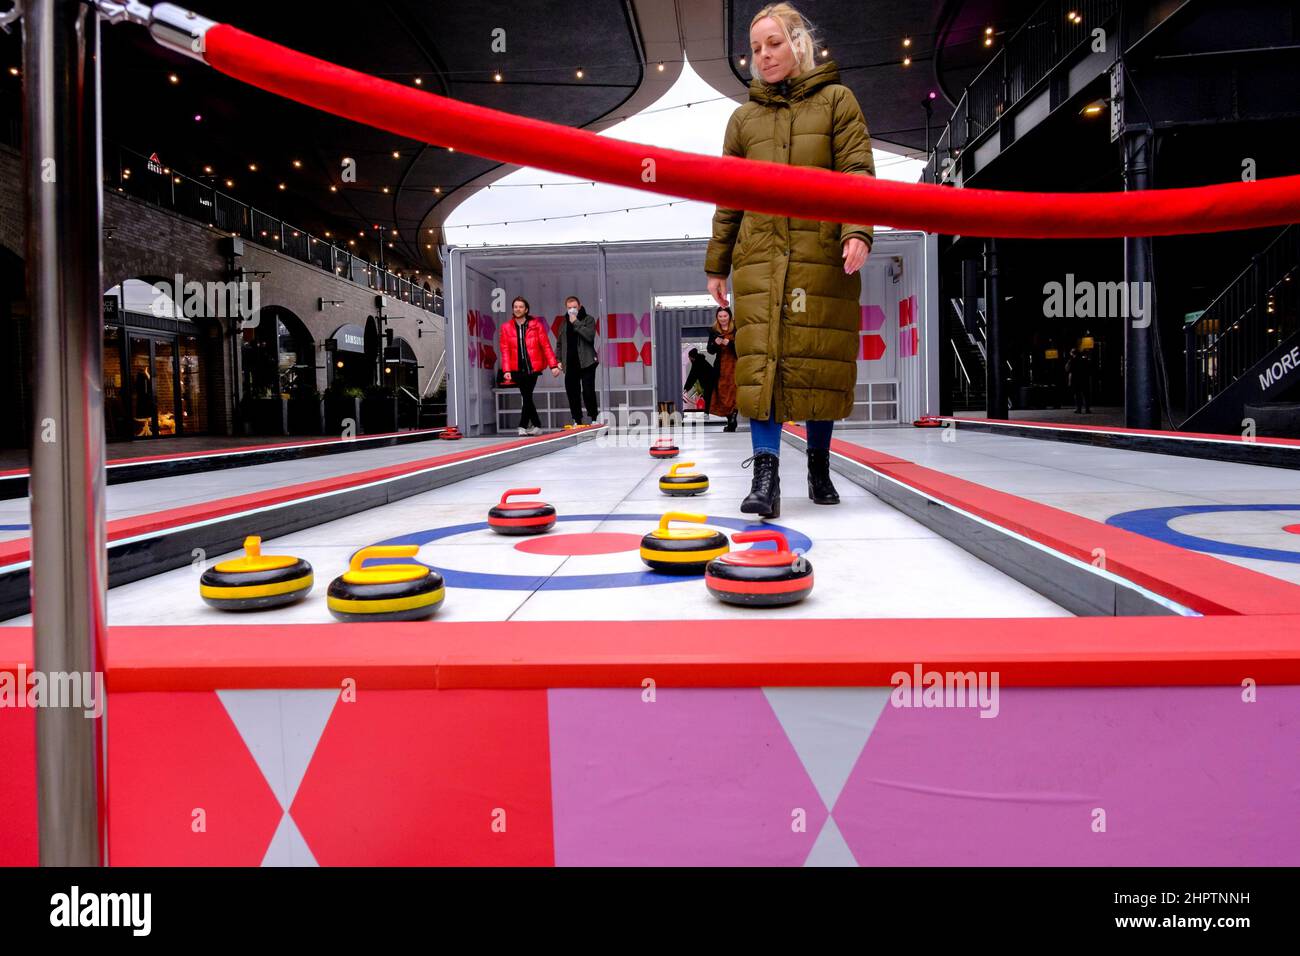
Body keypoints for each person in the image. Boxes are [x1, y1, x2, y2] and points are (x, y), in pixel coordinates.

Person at [705, 2, 874, 517]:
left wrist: (858, 232)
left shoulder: (838, 101)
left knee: (816, 361)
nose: (764, 55)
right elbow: (727, 196)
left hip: (818, 255)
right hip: (758, 259)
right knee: (759, 367)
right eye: (756, 48)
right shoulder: (743, 120)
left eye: (773, 43)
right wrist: (717, 263)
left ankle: (819, 466)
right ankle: (765, 475)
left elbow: (857, 172)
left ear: (798, 42)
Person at [498, 296, 560, 435]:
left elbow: (546, 346)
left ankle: (522, 426)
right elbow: (505, 350)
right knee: (527, 396)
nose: (518, 309)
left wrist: (553, 365)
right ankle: (537, 425)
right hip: (516, 368)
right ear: (513, 309)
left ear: (526, 309)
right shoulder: (506, 327)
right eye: (515, 307)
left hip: (533, 368)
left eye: (521, 307)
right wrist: (506, 370)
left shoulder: (536, 325)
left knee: (526, 396)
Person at [559, 295, 599, 427]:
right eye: (569, 308)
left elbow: (589, 336)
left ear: (579, 306)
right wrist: (558, 360)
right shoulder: (564, 323)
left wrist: (575, 321)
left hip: (587, 362)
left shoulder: (589, 319)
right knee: (572, 393)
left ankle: (593, 418)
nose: (572, 310)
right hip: (570, 363)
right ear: (566, 308)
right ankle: (577, 420)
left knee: (588, 391)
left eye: (574, 307)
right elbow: (559, 344)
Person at [707, 307, 739, 431]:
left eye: (725, 316)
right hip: (721, 367)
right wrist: (715, 343)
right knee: (722, 392)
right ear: (717, 317)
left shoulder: (736, 329)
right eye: (720, 316)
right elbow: (710, 350)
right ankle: (730, 418)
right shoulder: (714, 330)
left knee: (735, 391)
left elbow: (741, 348)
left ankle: (733, 416)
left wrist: (728, 343)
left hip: (735, 365)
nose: (722, 319)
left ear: (729, 316)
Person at [683, 348, 718, 416]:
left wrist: (686, 388)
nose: (689, 359)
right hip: (711, 381)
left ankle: (707, 412)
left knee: (708, 397)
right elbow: (692, 376)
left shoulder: (697, 363)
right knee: (708, 396)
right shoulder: (701, 361)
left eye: (689, 357)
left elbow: (692, 377)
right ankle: (708, 412)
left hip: (709, 382)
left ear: (692, 357)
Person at [1067, 347, 1093, 414]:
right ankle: (1087, 409)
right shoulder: (1084, 360)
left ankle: (1079, 409)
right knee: (1086, 395)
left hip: (1075, 379)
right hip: (1084, 379)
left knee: (1077, 395)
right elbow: (1089, 369)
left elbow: (1067, 369)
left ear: (1072, 353)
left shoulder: (1072, 360)